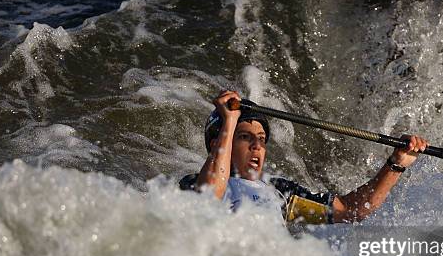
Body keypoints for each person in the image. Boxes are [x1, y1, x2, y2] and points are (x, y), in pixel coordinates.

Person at [180, 90, 429, 224]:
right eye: (245, 137)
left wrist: (397, 164)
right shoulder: (190, 184)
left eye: (262, 139)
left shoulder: (283, 195)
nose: (257, 145)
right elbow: (209, 200)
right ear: (219, 142)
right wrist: (230, 120)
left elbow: (352, 210)